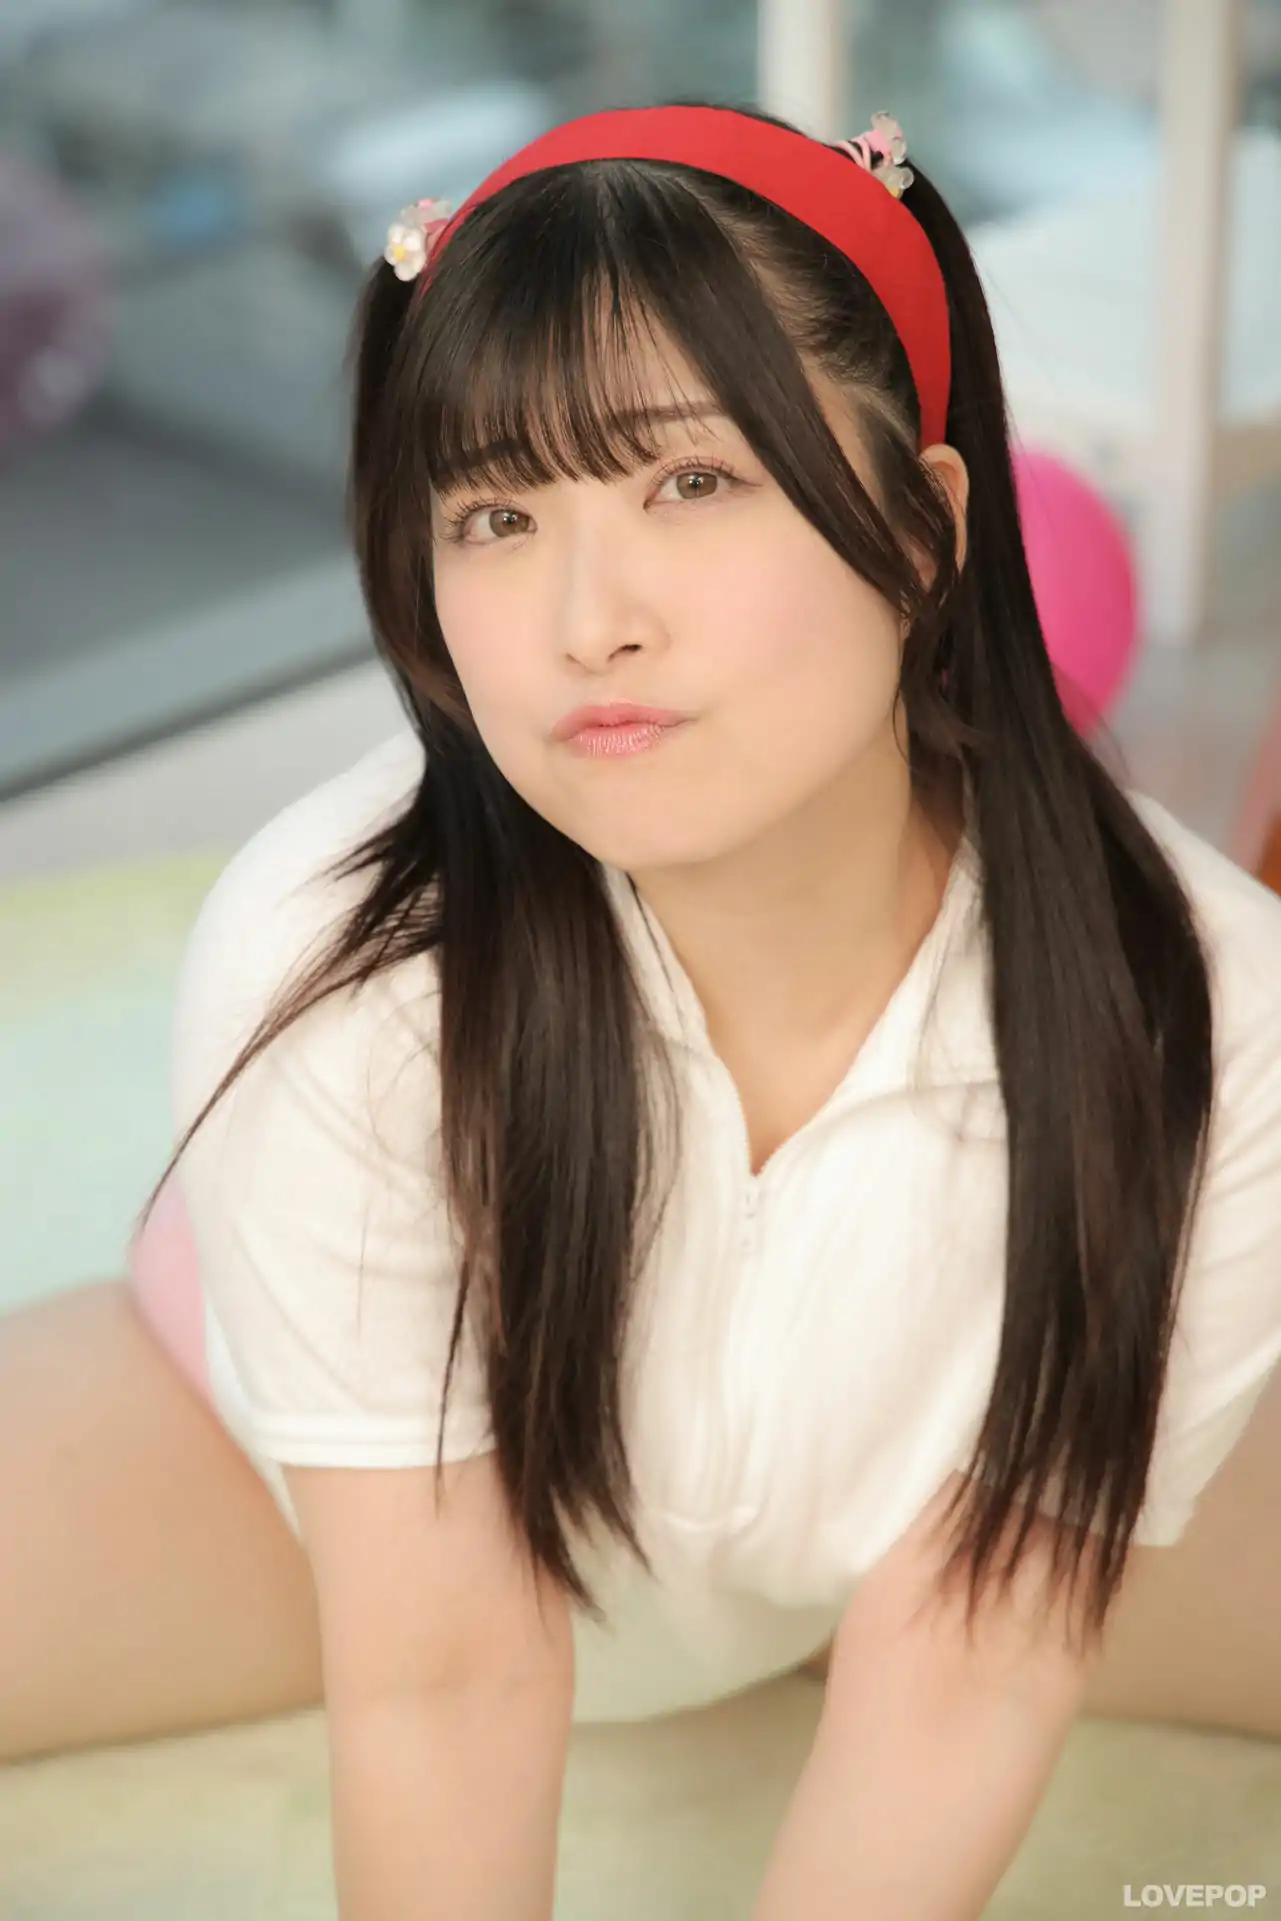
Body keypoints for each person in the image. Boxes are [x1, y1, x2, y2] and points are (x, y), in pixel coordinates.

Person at [3, 98, 1280, 1918]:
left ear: (925, 526)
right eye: (497, 513)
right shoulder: (339, 963)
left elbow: (975, 1657)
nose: (587, 619)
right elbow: (445, 1675)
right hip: (305, 1488)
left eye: (689, 483)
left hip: (889, 1540)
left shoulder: (1214, 1018)